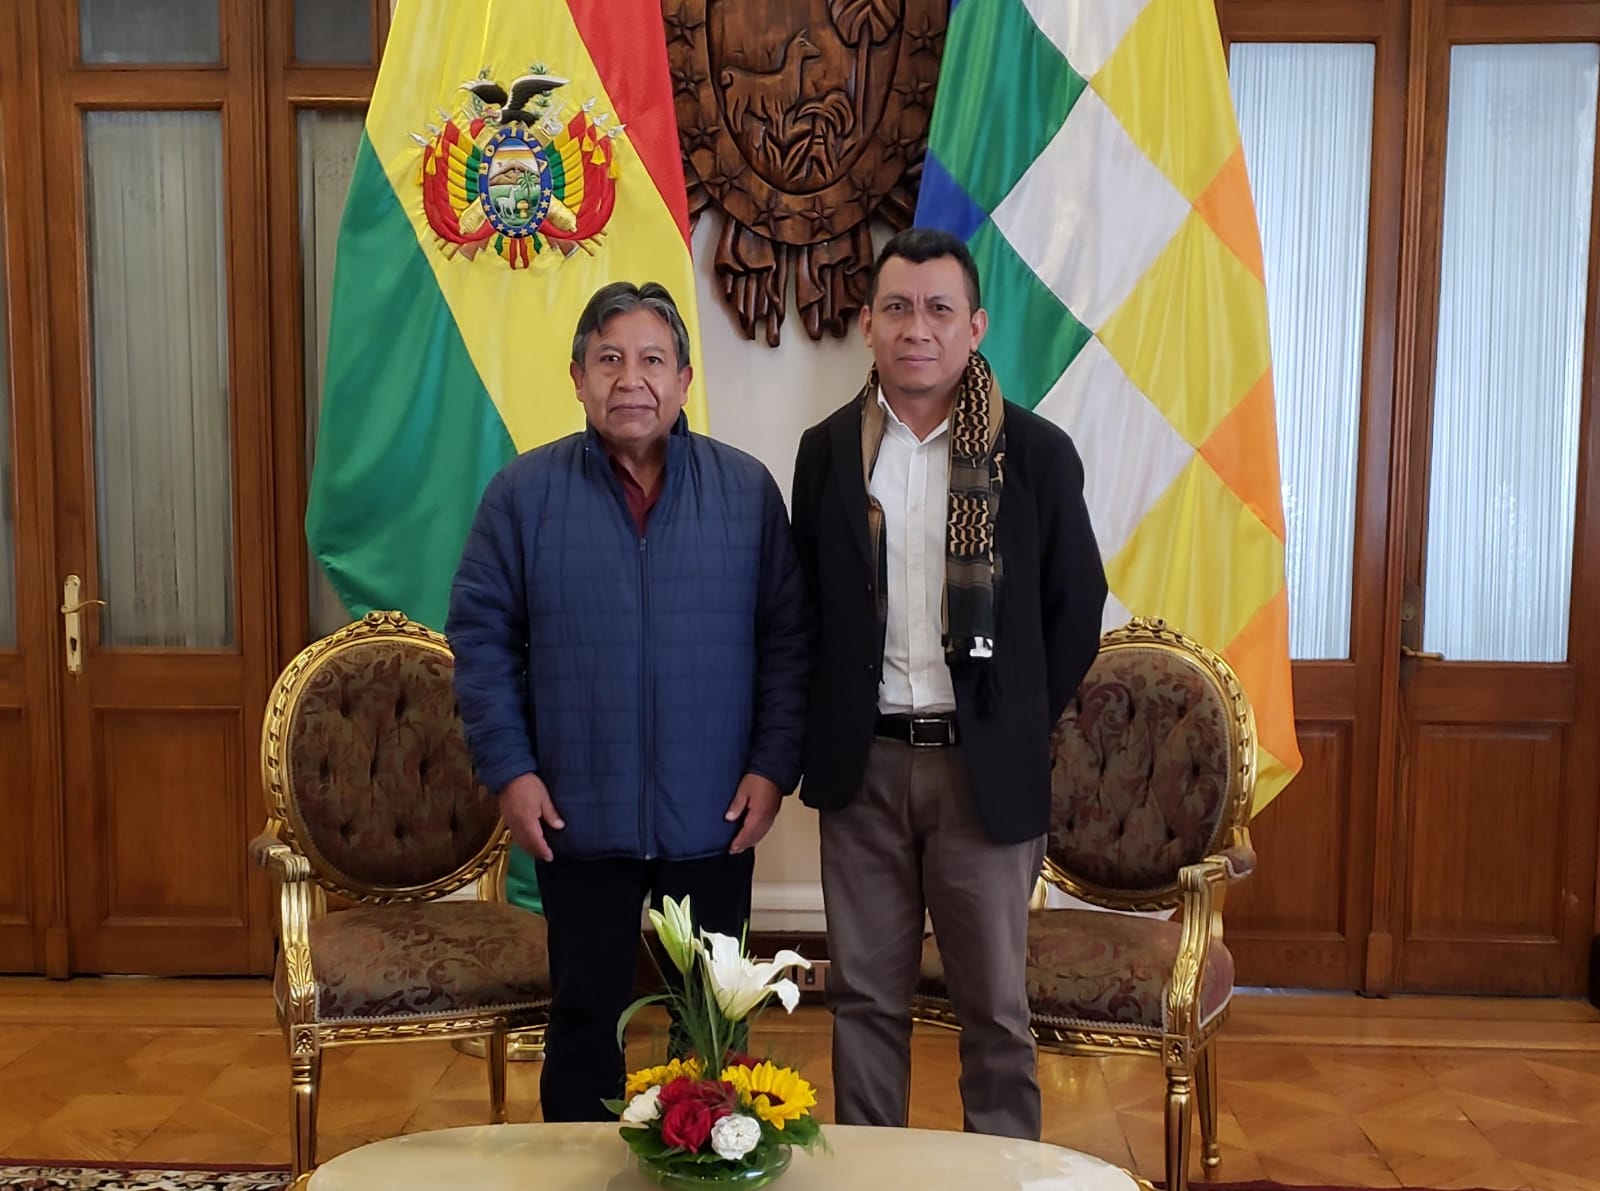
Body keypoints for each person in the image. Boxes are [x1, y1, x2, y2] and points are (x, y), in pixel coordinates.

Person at [447, 280, 809, 1122]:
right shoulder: (521, 496)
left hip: (715, 811)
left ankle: (709, 1168)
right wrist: (511, 771)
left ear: (684, 380)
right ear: (576, 377)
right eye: (608, 359)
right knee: (582, 1026)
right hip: (579, 814)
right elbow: (482, 639)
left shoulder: (746, 493)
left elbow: (790, 641)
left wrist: (771, 767)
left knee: (713, 1033)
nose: (630, 378)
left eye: (652, 359)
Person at [790, 228, 1107, 1139]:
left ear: (975, 327)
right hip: (866, 770)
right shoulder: (826, 454)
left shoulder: (1036, 455)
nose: (915, 328)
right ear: (867, 325)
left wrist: (1007, 719)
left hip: (984, 775)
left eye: (937, 309)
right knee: (863, 1004)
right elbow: (803, 606)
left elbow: (1073, 609)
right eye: (897, 308)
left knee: (996, 1014)